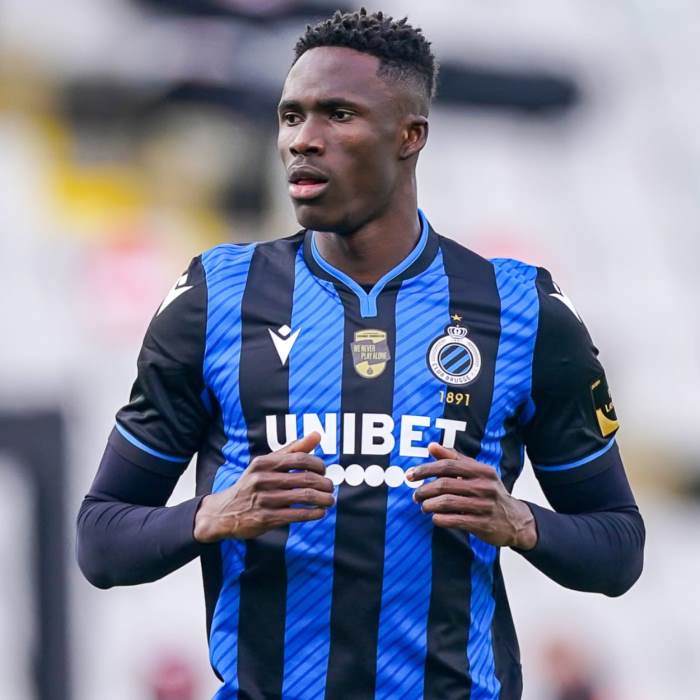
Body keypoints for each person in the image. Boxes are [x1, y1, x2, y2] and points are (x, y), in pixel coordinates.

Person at [76, 9, 645, 700]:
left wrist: (520, 522)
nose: (303, 140)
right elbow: (101, 539)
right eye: (291, 116)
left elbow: (618, 548)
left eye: (337, 114)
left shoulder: (520, 308)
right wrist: (212, 515)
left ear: (410, 136)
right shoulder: (216, 296)